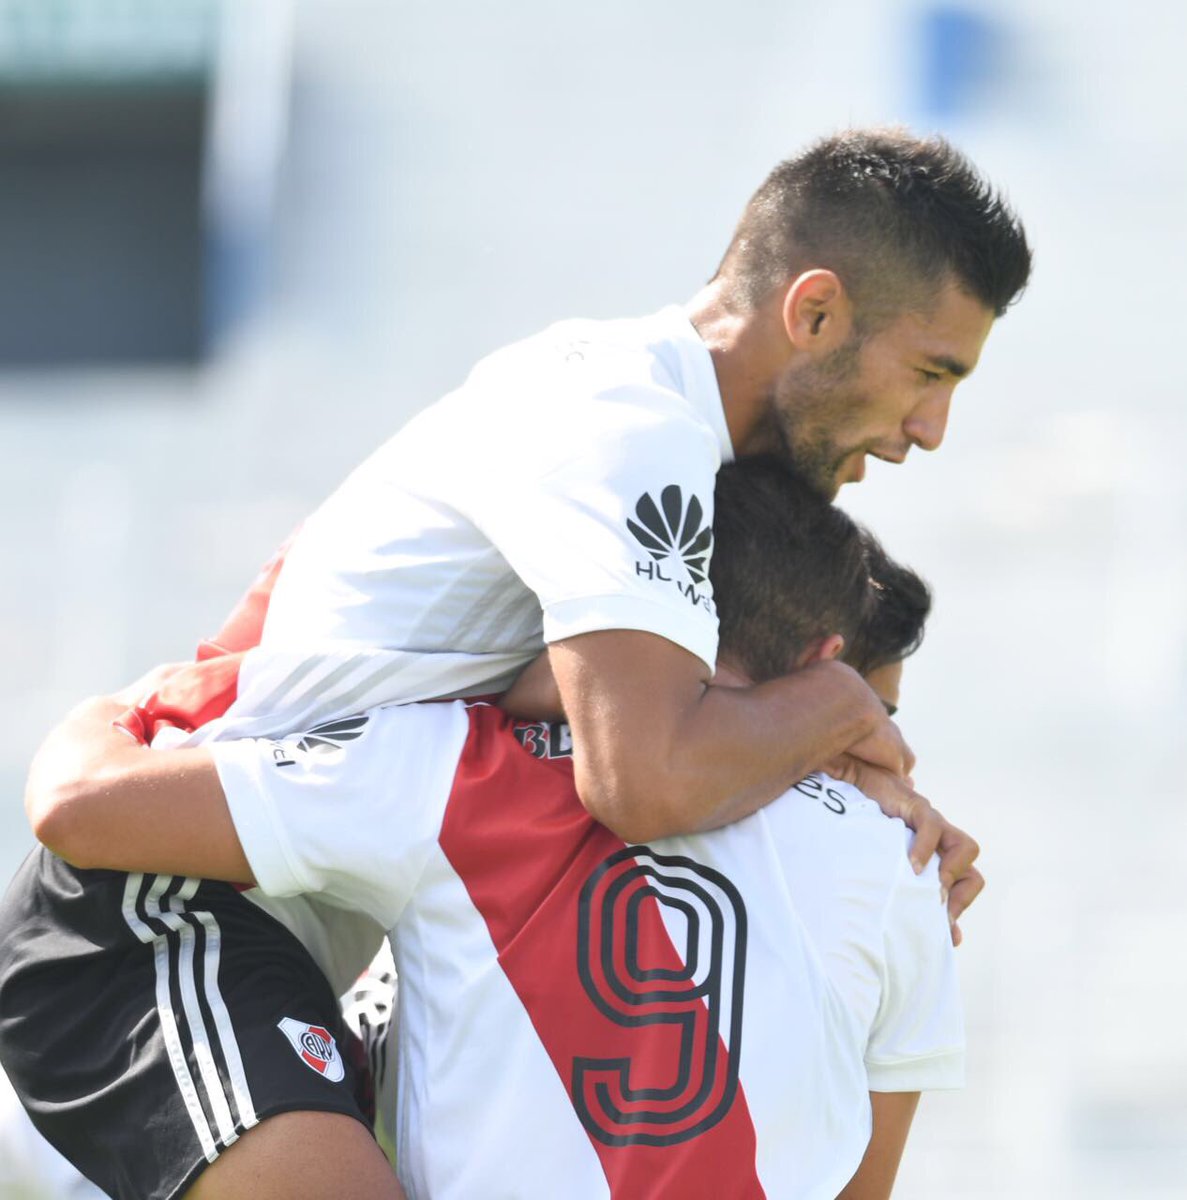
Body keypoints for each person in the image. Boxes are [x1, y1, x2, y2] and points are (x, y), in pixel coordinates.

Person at [3, 126, 1022, 1193]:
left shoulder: (649, 429)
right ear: (811, 313)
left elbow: (573, 708)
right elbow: (642, 778)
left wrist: (867, 779)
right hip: (158, 916)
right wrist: (838, 706)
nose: (931, 428)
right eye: (929, 372)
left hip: (297, 926)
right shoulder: (630, 427)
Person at [15, 459, 971, 1198]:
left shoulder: (451, 759)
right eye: (870, 720)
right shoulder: (908, 869)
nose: (888, 759)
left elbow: (82, 807)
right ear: (823, 670)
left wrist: (117, 710)